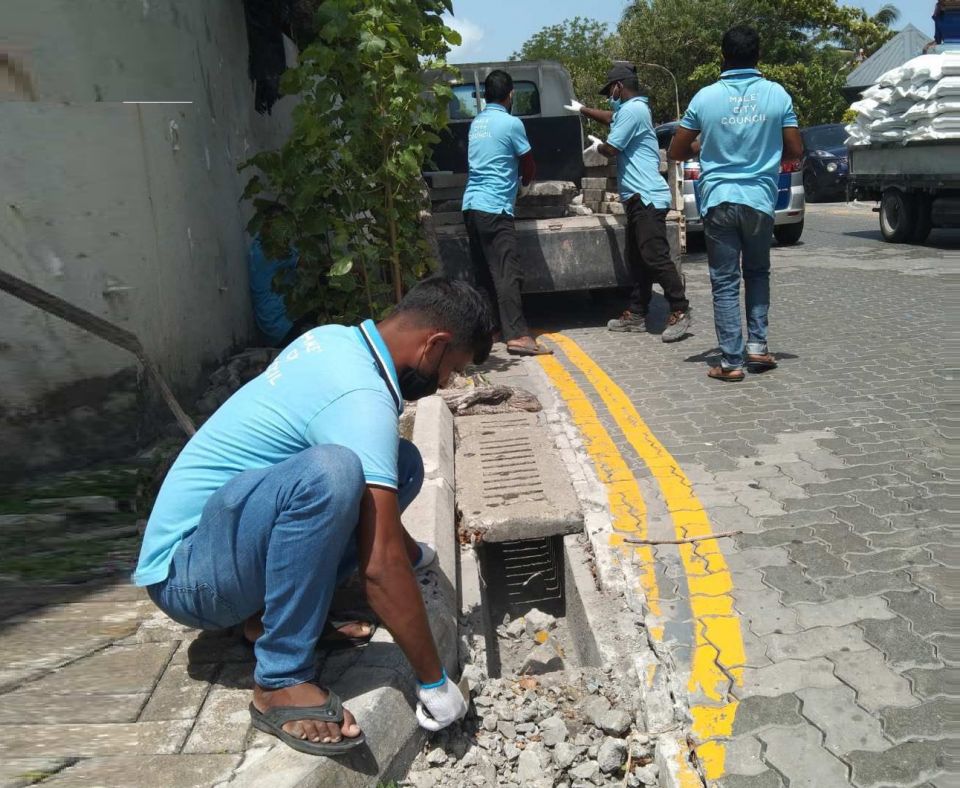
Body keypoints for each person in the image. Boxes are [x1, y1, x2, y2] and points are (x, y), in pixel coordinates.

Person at [133, 277, 492, 755]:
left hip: (224, 543)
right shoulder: (359, 399)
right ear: (434, 345)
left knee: (399, 465)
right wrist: (434, 681)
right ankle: (281, 677)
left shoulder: (332, 340)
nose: (445, 383)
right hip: (188, 576)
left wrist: (415, 553)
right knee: (333, 472)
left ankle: (269, 621)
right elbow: (380, 565)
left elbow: (381, 531)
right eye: (452, 368)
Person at [669, 25, 803, 382]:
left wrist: (705, 147)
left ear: (723, 56)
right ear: (758, 56)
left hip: (718, 200)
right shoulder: (777, 95)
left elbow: (677, 150)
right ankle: (757, 347)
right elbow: (795, 150)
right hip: (759, 199)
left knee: (725, 281)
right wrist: (765, 152)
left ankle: (731, 362)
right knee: (757, 272)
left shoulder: (705, 98)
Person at [582, 64, 692, 342]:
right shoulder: (632, 110)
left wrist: (597, 146)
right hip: (637, 197)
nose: (610, 96)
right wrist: (583, 110)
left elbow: (611, 148)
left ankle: (680, 308)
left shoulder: (632, 110)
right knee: (638, 259)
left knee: (654, 256)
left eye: (610, 91)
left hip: (647, 197)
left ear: (619, 86)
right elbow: (610, 116)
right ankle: (637, 313)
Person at [461, 69, 552, 356]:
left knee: (484, 274)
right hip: (495, 207)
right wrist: (524, 184)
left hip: (471, 206)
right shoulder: (511, 123)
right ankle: (517, 336)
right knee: (506, 273)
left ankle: (490, 329)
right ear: (510, 94)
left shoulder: (477, 123)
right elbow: (528, 164)